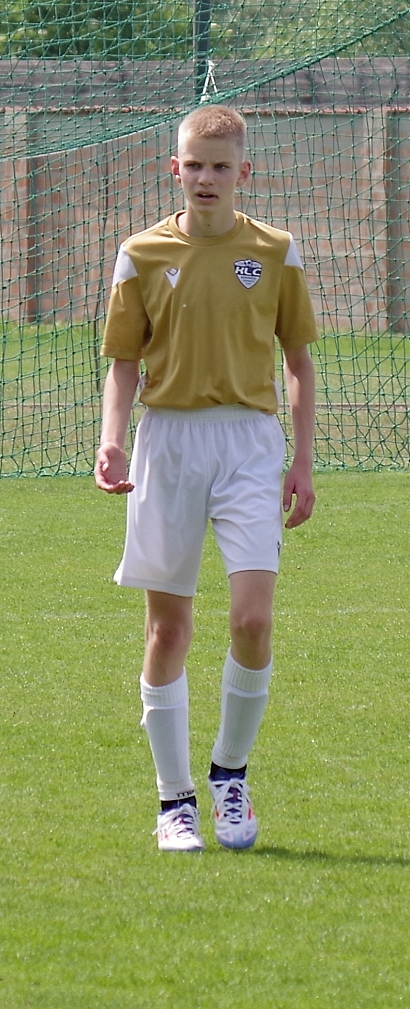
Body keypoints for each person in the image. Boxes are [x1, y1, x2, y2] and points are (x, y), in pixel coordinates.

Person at [95, 105, 318, 852]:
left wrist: (303, 460)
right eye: (195, 165)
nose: (207, 177)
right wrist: (112, 441)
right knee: (168, 628)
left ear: (243, 172)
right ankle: (174, 801)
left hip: (249, 443)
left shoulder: (276, 251)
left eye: (221, 166)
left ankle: (230, 775)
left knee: (252, 620)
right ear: (175, 169)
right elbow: (124, 362)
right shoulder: (140, 254)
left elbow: (298, 360)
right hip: (168, 442)